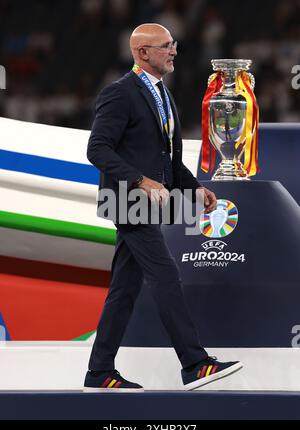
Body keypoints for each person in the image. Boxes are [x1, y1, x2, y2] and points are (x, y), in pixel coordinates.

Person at [84, 23, 242, 392]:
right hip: (127, 202)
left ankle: (98, 373)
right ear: (142, 53)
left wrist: (194, 187)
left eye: (173, 44)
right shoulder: (119, 94)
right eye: (166, 46)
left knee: (124, 290)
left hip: (145, 204)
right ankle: (195, 364)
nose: (174, 51)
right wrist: (140, 180)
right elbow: (97, 149)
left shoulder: (163, 95)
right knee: (166, 276)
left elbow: (168, 159)